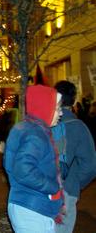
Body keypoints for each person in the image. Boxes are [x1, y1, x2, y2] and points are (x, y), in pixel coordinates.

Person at [4, 85, 64, 233]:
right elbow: (23, 170)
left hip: (25, 204)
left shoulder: (25, 127)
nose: (61, 113)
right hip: (33, 209)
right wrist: (53, 186)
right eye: (57, 108)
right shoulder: (36, 134)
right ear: (45, 107)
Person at [52, 81, 96, 233]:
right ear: (74, 99)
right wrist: (76, 183)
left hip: (40, 189)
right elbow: (90, 165)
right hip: (67, 190)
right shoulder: (78, 127)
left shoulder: (42, 123)